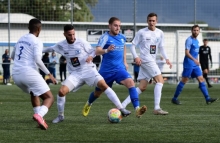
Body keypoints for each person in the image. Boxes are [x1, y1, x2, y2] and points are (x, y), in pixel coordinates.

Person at [42, 24, 131, 124]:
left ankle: (121, 108)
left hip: (89, 70)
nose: (72, 37)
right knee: (61, 92)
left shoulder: (81, 42)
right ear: (64, 34)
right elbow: (51, 49)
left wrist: (91, 57)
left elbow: (93, 51)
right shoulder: (61, 45)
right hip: (76, 74)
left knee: (103, 85)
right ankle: (60, 116)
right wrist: (38, 51)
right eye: (69, 35)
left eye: (73, 34)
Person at [84, 17, 147, 118]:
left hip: (119, 69)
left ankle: (137, 109)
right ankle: (89, 103)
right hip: (106, 71)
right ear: (109, 26)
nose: (118, 28)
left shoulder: (122, 37)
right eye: (115, 25)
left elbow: (124, 47)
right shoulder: (105, 37)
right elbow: (97, 51)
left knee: (131, 82)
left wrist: (125, 62)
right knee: (97, 93)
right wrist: (107, 50)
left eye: (119, 26)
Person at [121, 13, 172, 115]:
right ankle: (157, 108)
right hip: (146, 60)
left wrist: (167, 58)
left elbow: (161, 47)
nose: (151, 22)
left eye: (153, 21)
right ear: (147, 21)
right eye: (150, 20)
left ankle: (122, 105)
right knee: (160, 81)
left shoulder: (160, 33)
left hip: (151, 60)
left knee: (142, 87)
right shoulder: (142, 32)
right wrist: (136, 57)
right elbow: (132, 45)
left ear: (156, 21)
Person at [11, 18, 57, 130]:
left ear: (28, 28)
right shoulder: (37, 41)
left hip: (16, 75)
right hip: (28, 72)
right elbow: (37, 60)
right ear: (39, 29)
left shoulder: (21, 39)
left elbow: (13, 56)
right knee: (49, 98)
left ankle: (39, 119)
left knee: (34, 92)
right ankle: (39, 115)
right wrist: (49, 74)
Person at [171, 25, 218, 105]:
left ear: (199, 31)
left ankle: (207, 98)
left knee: (201, 79)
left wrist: (197, 60)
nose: (196, 32)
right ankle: (174, 98)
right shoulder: (189, 40)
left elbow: (195, 53)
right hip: (188, 63)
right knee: (184, 80)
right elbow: (187, 53)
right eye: (194, 30)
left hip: (195, 65)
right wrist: (194, 60)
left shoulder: (197, 41)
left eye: (197, 30)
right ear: (191, 31)